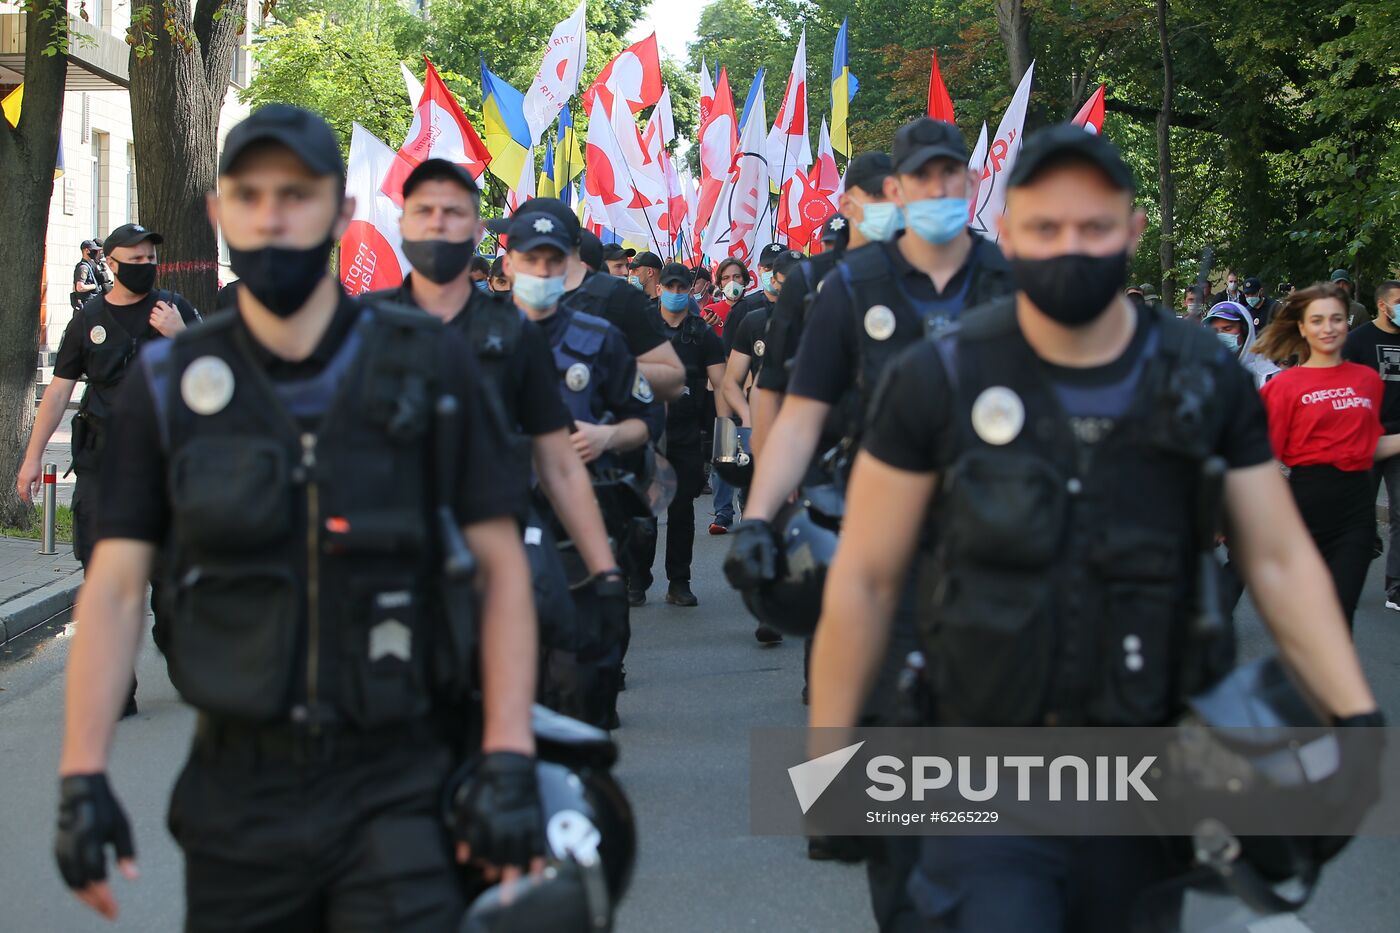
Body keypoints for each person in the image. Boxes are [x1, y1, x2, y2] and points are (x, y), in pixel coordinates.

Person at [808, 124, 1384, 933]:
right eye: (1045, 228)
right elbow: (865, 579)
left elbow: (1280, 555)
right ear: (1006, 234)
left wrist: (1355, 714)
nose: (1070, 247)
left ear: (1133, 230)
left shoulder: (1200, 373)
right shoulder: (935, 378)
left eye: (1095, 226)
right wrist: (830, 762)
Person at [54, 104, 544, 930]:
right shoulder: (170, 385)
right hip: (240, 797)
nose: (272, 213)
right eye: (248, 194)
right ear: (218, 214)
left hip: (402, 780)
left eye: (297, 192)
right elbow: (111, 590)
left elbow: (500, 567)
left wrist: (507, 752)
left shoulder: (427, 362)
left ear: (341, 213)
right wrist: (81, 775)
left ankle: (833, 814)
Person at [370, 162, 626, 721]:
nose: (438, 225)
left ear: (478, 232)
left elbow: (557, 462)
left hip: (499, 557)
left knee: (511, 724)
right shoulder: (363, 327)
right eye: (424, 212)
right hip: (392, 561)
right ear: (403, 223)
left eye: (454, 212)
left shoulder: (514, 334)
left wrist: (603, 571)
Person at [503, 200, 656, 724]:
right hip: (498, 525)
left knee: (579, 681)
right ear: (508, 265)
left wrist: (608, 433)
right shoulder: (471, 339)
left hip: (578, 521)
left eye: (553, 261)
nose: (542, 273)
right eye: (530, 260)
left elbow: (641, 421)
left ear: (570, 262)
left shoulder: (600, 339)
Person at [1257, 282, 1391, 630]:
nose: (1328, 328)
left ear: (1348, 322)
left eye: (1337, 319)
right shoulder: (1283, 386)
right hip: (1304, 506)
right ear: (1302, 327)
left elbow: (1369, 445)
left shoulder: (1367, 381)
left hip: (1356, 511)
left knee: (1339, 619)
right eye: (1317, 320)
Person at [631, 263, 728, 607]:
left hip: (686, 432)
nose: (674, 292)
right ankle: (637, 579)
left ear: (690, 290)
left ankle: (679, 581)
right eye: (668, 286)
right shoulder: (641, 328)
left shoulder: (702, 334)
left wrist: (726, 433)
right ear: (658, 289)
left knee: (682, 510)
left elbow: (720, 384)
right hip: (645, 431)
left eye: (680, 287)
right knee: (643, 509)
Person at [1342, 280, 1400, 610]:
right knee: (1357, 514)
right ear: (1382, 305)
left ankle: (1397, 587)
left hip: (1399, 441)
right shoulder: (1358, 342)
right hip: (1365, 438)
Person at [1202, 300, 1279, 387]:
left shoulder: (1268, 377)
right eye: (1214, 330)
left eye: (1227, 329)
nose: (1220, 335)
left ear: (1245, 331)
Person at [71, 240, 110, 312]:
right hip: (86, 306)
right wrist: (95, 286)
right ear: (87, 251)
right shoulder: (83, 267)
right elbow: (80, 287)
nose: (96, 253)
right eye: (94, 250)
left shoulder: (91, 266)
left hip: (91, 305)